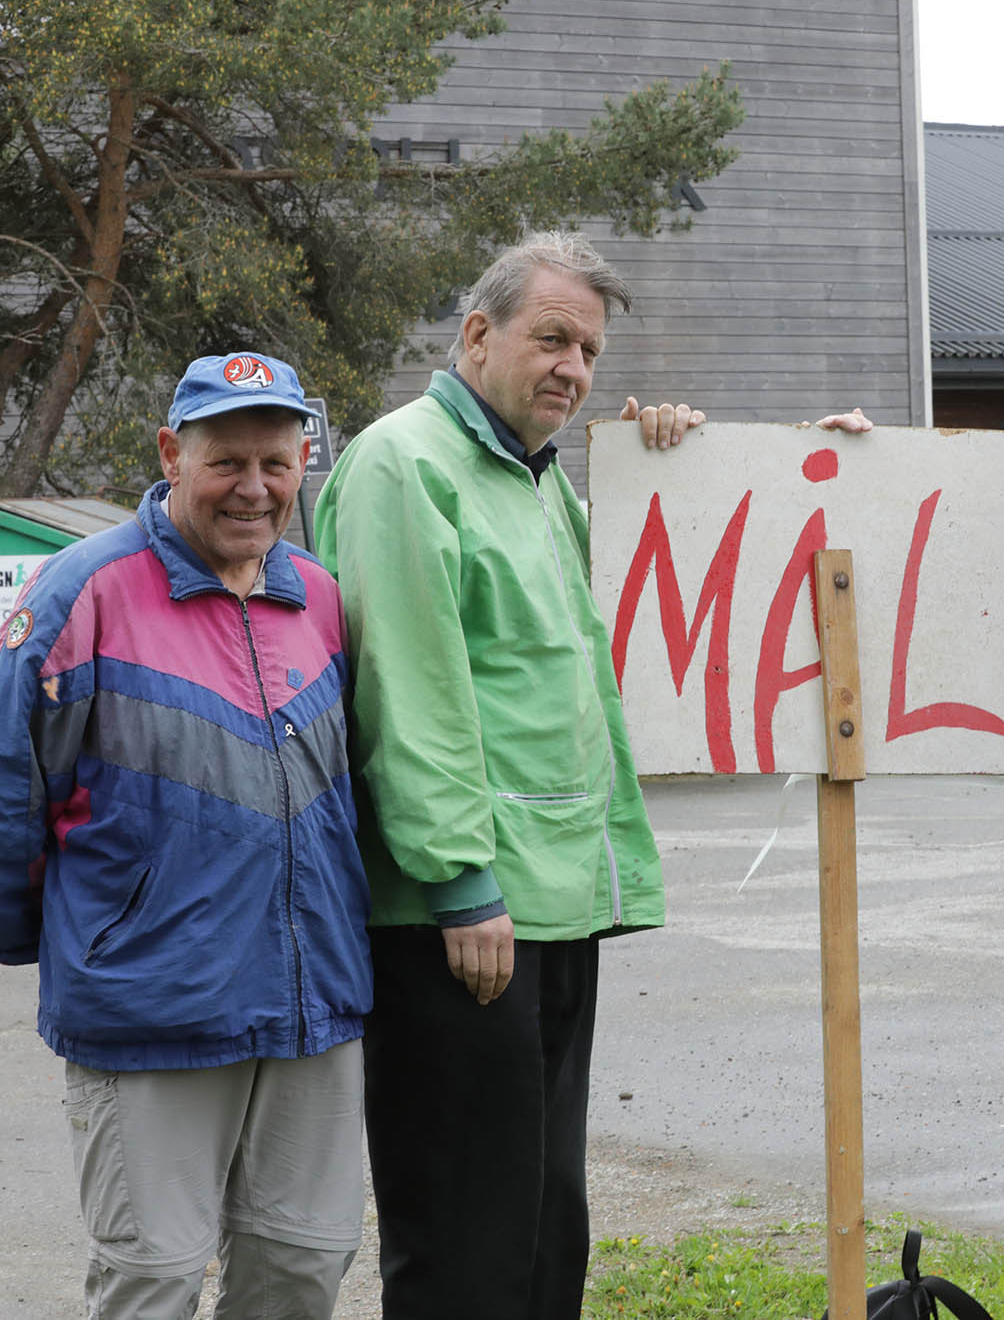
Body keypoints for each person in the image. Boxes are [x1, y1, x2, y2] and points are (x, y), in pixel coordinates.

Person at [313, 229, 868, 1319]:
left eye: (592, 351)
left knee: (538, 1227)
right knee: (463, 1237)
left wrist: (727, 462)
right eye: (551, 337)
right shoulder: (404, 464)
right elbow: (408, 692)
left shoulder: (535, 483)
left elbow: (667, 588)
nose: (572, 367)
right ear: (477, 335)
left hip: (554, 908)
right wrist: (460, 881)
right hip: (461, 917)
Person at [0, 353, 372, 1317]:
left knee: (303, 1267)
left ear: (304, 461)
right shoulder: (79, 592)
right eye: (226, 461)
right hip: (149, 1014)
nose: (253, 488)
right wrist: (76, 946)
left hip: (312, 1008)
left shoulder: (325, 598)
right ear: (172, 452)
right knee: (153, 1281)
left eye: (276, 460)